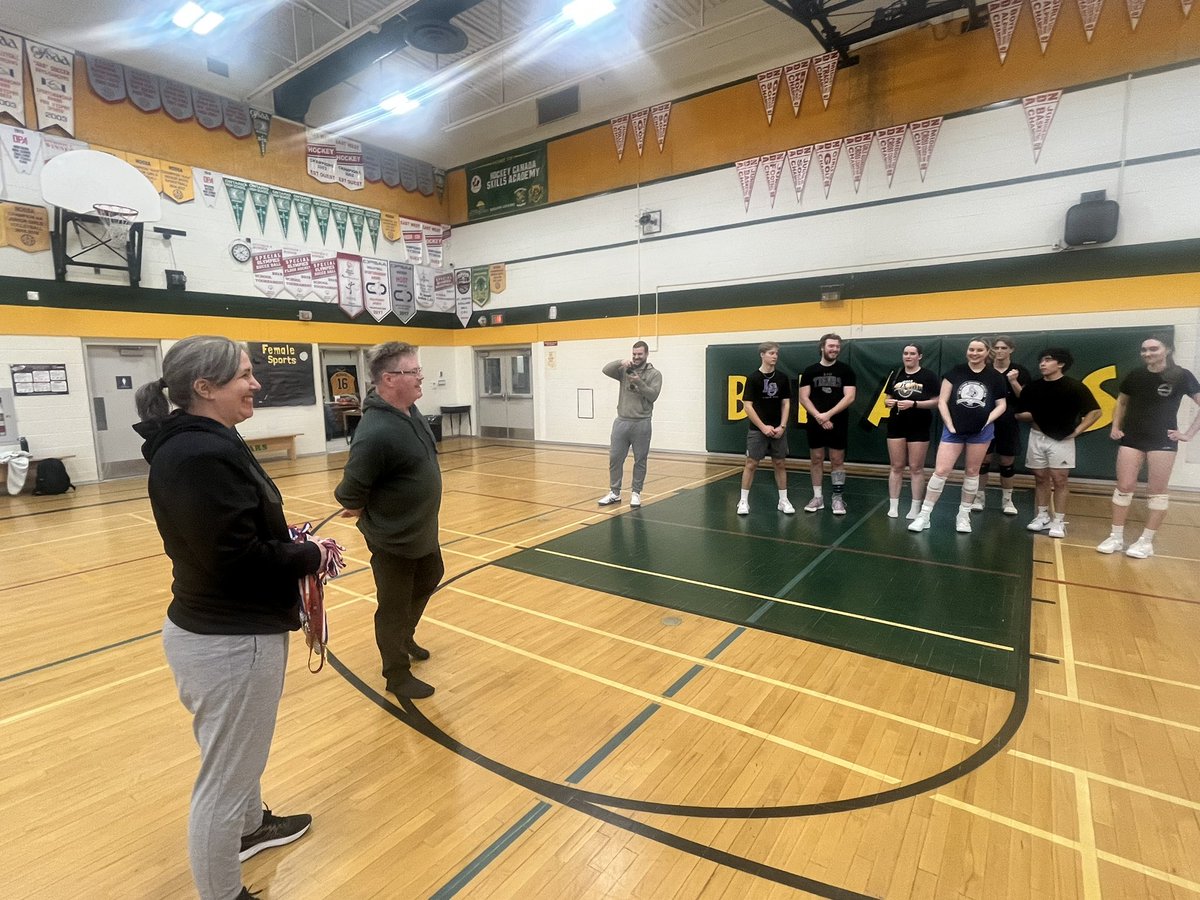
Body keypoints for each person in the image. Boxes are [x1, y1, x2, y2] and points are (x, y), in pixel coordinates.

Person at [134, 335, 325, 900]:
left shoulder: (205, 441)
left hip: (226, 632)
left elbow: (226, 536)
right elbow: (232, 561)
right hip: (230, 642)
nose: (256, 383)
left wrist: (280, 536)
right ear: (205, 387)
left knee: (236, 757)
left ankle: (248, 830)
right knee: (224, 779)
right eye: (244, 375)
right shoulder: (197, 455)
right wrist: (308, 554)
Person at [335, 342, 444, 699]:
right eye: (413, 371)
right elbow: (350, 491)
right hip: (393, 537)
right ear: (388, 378)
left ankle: (404, 636)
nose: (420, 376)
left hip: (421, 530)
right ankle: (396, 674)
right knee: (394, 605)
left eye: (417, 369)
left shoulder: (410, 411)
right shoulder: (376, 431)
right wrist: (358, 504)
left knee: (431, 575)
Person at [1097, 334, 1200, 559]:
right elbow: (1122, 401)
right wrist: (1116, 426)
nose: (1147, 354)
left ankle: (1146, 541)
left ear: (1168, 350)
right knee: (1124, 486)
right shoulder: (1136, 375)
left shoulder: (1181, 375)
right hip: (1132, 438)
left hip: (1162, 440)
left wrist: (1188, 434)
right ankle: (1116, 536)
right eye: (1144, 350)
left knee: (1156, 492)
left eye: (1153, 349)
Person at [909, 337, 1008, 534]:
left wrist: (986, 421)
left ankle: (963, 515)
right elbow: (942, 401)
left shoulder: (995, 377)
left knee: (972, 472)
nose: (974, 353)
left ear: (987, 353)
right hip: (953, 431)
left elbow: (1002, 405)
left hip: (981, 432)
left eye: (979, 350)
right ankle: (924, 515)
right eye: (971, 349)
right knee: (941, 471)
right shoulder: (956, 372)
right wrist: (949, 424)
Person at [1016, 348, 1102, 539]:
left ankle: (1059, 520)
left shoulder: (1074, 387)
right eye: (1041, 361)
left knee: (1060, 479)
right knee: (1040, 477)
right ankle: (1042, 515)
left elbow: (1095, 412)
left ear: (1061, 364)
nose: (1042, 364)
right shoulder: (1032, 388)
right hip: (1036, 436)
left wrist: (1077, 431)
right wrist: (1027, 415)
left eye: (1048, 360)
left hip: (1061, 440)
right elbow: (1021, 412)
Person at [597, 340, 663, 509]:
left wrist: (639, 382)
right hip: (622, 421)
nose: (636, 357)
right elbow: (605, 369)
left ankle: (636, 493)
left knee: (640, 459)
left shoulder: (654, 374)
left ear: (646, 354)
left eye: (640, 354)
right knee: (615, 457)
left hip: (642, 423)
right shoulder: (625, 369)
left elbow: (653, 395)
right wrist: (620, 362)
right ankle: (614, 492)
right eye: (634, 354)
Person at [798, 333, 857, 514]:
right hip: (815, 421)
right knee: (816, 459)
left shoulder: (846, 370)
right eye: (831, 346)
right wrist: (818, 416)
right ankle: (818, 497)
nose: (835, 349)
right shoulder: (810, 371)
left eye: (837, 346)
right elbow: (803, 397)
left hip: (838, 422)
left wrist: (828, 415)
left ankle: (837, 499)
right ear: (822, 347)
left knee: (837, 460)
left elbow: (850, 397)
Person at [974, 335, 1030, 515]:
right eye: (996, 348)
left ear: (1011, 350)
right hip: (987, 419)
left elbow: (1026, 399)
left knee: (1007, 462)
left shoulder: (1019, 371)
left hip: (1008, 420)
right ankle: (979, 497)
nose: (999, 351)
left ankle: (1007, 500)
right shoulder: (986, 370)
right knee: (984, 460)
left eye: (1003, 348)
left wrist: (1013, 381)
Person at [883, 343, 940, 519]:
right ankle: (894, 505)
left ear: (919, 356)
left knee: (916, 467)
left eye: (912, 353)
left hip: (919, 424)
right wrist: (889, 402)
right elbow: (887, 398)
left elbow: (936, 401)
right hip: (896, 424)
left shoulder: (928, 376)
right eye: (906, 353)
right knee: (896, 466)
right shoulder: (896, 374)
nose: (908, 356)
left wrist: (914, 404)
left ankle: (915, 507)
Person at [737, 341, 794, 516]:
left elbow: (786, 403)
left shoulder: (782, 378)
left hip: (778, 429)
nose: (775, 356)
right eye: (771, 353)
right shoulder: (753, 378)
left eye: (776, 353)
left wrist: (782, 426)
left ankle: (783, 501)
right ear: (762, 355)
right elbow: (748, 406)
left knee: (780, 463)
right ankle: (743, 501)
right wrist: (763, 427)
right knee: (751, 463)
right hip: (757, 430)